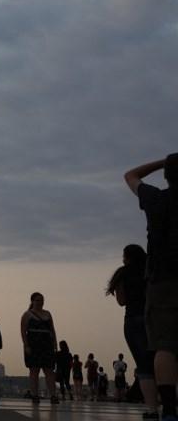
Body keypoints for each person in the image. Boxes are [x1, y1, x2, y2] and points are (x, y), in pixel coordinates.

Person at [125, 154, 178, 421]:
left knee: (164, 345)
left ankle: (169, 408)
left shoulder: (156, 199)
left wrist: (161, 163)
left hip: (163, 280)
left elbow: (130, 175)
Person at [106, 243, 158, 418]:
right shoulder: (150, 269)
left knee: (144, 366)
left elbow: (122, 301)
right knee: (162, 359)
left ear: (127, 257)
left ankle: (152, 409)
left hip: (133, 319)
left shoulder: (123, 273)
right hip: (154, 317)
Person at [21, 292, 59, 404]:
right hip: (33, 344)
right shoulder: (27, 315)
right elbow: (23, 331)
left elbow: (52, 329)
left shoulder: (48, 314)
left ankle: (53, 395)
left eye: (42, 300)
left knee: (49, 370)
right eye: (37, 300)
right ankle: (34, 395)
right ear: (32, 301)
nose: (40, 302)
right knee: (34, 370)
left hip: (47, 343)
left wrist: (55, 344)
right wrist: (26, 345)